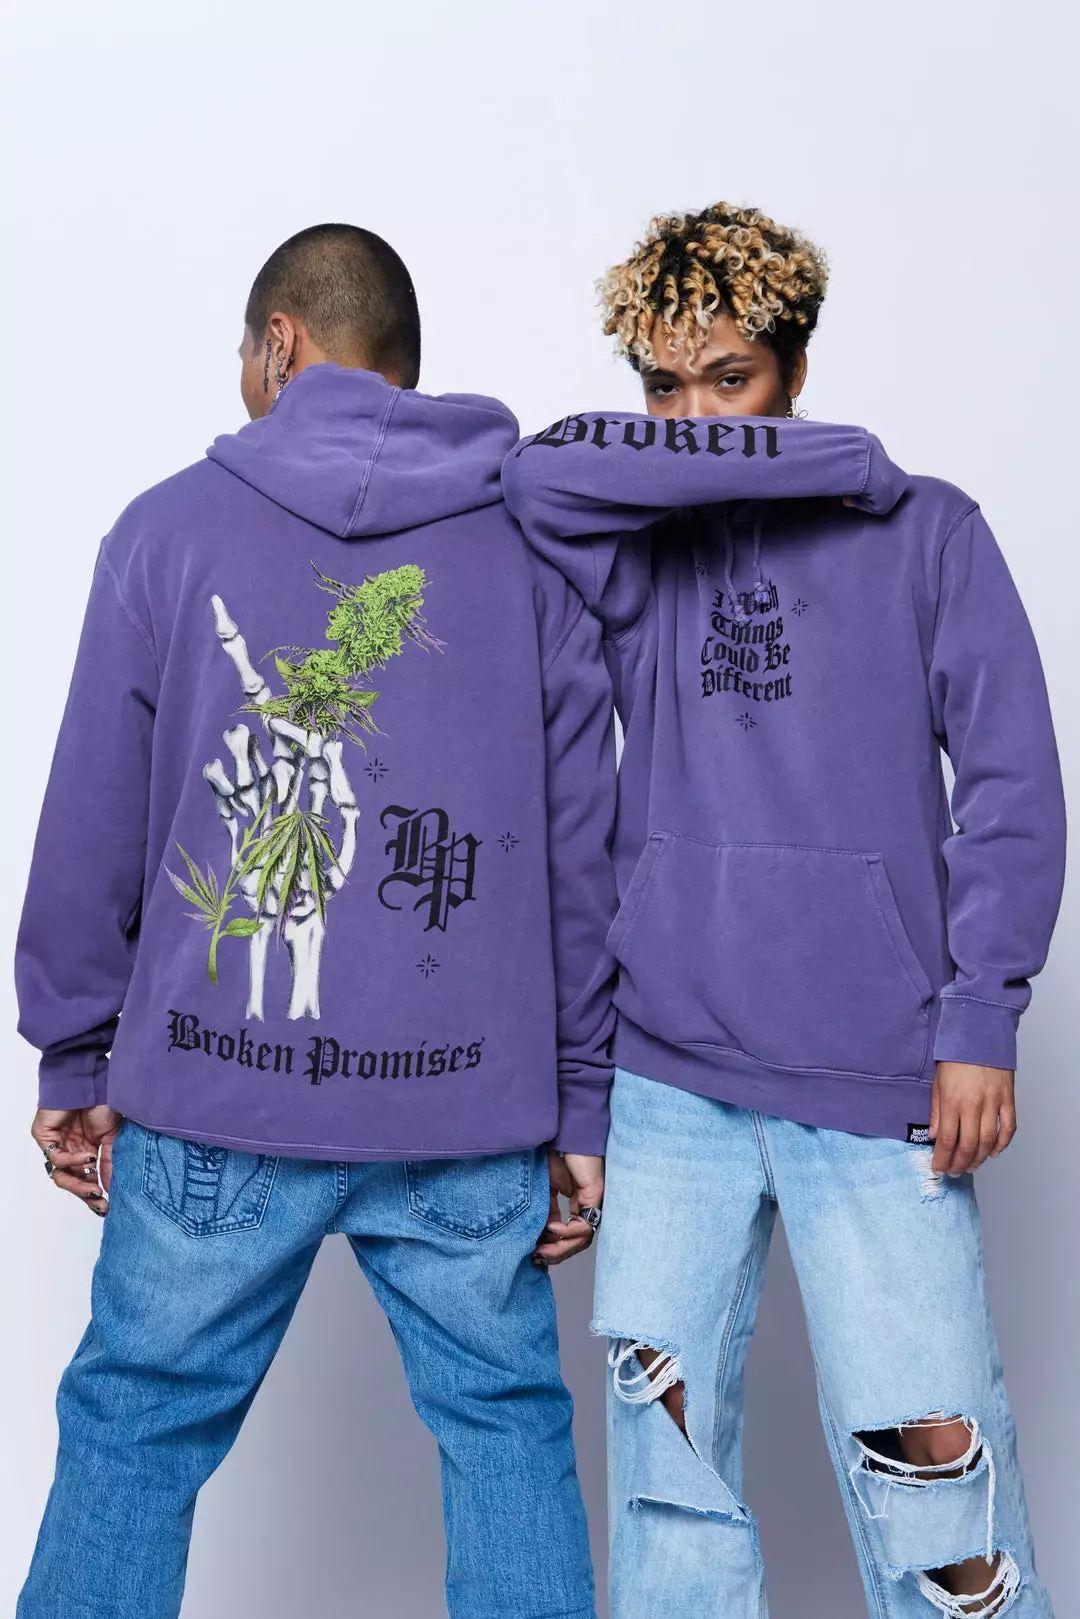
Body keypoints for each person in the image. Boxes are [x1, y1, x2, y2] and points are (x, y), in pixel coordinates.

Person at [16, 222, 616, 1619]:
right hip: (465, 1111)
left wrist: (73, 1052)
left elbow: (94, 810)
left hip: (216, 1095)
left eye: (244, 357)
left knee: (132, 1431)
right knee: (506, 1432)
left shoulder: (167, 530)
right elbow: (584, 850)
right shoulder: (535, 555)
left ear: (279, 344)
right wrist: (583, 1100)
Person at [503, 202, 1065, 1618]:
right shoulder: (637, 549)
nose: (693, 422)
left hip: (876, 1074)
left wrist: (981, 1013)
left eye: (731, 379)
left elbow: (1011, 786)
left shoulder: (927, 531)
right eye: (664, 389)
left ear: (799, 370)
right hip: (669, 1076)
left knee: (937, 1478)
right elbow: (535, 474)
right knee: (666, 1474)